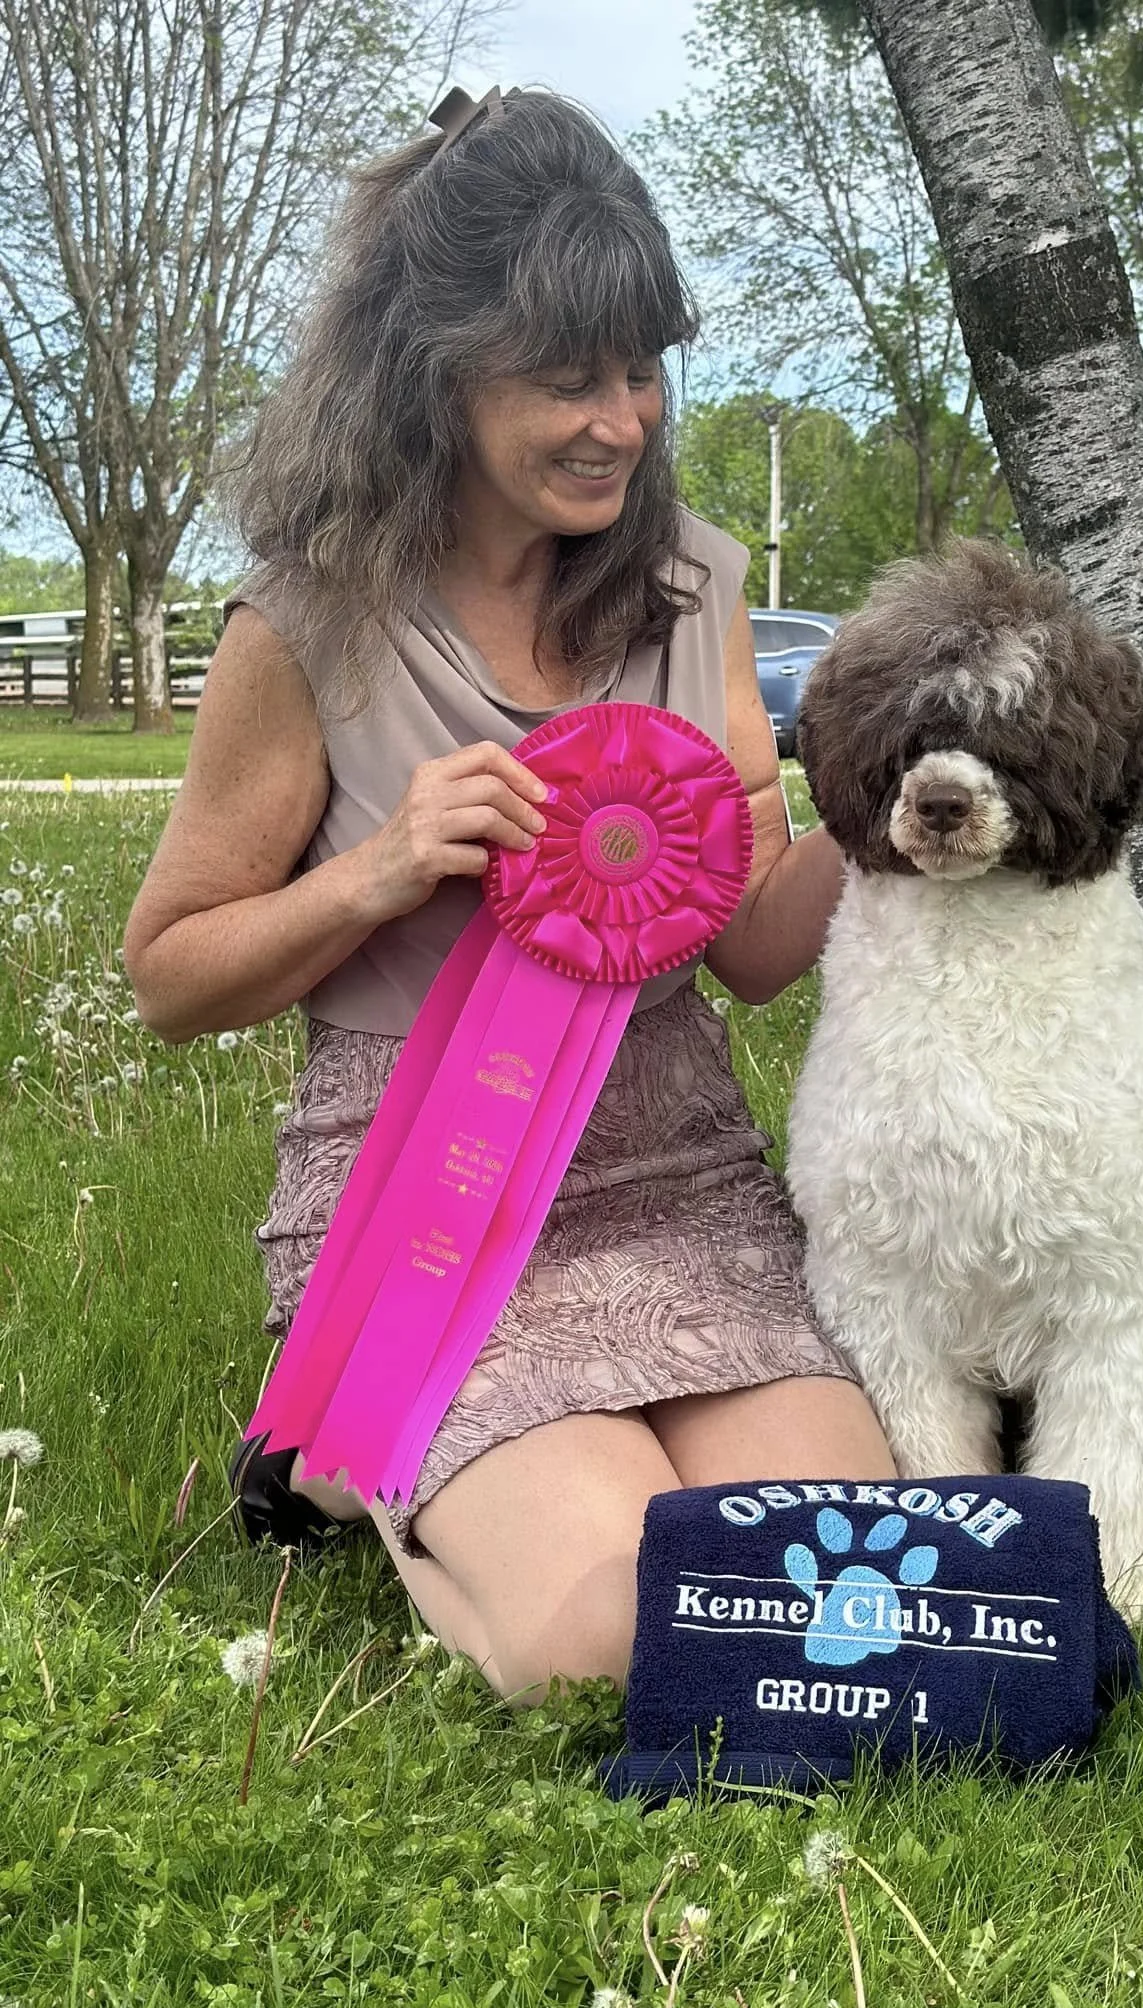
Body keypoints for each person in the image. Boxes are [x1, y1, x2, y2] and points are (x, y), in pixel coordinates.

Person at [123, 85, 895, 1704]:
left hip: (679, 1175)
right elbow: (169, 978)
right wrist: (377, 873)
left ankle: (402, 1459)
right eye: (567, 379)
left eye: (639, 368)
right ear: (439, 371)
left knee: (842, 1563)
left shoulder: (696, 579)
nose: (621, 417)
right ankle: (343, 1450)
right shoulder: (306, 628)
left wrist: (888, 808)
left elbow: (752, 956)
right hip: (431, 1209)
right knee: (607, 1635)